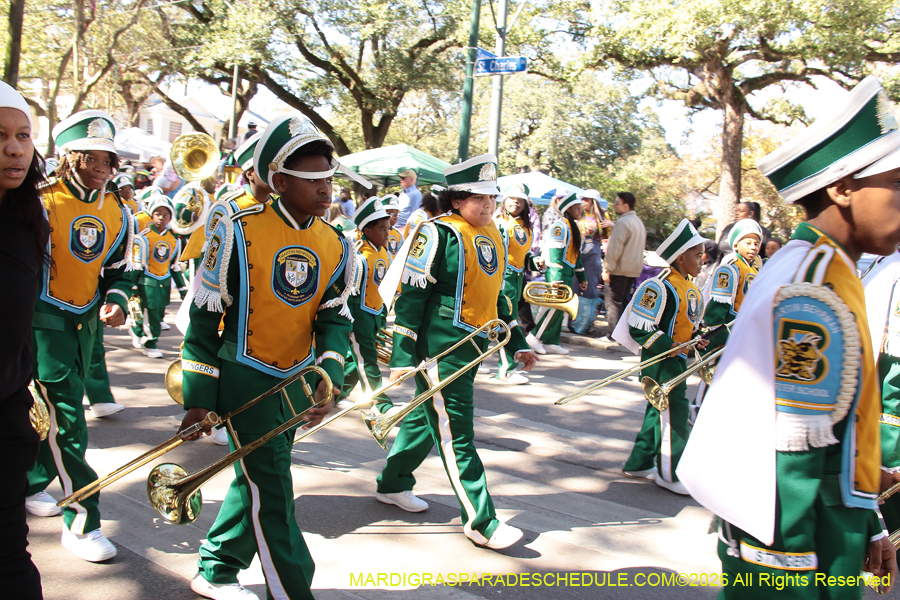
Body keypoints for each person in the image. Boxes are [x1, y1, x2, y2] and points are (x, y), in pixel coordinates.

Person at [678, 76, 900, 596]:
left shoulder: (826, 266)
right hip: (792, 543)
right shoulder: (814, 282)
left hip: (827, 520)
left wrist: (869, 517)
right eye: (897, 185)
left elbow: (836, 425)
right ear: (843, 188)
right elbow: (792, 449)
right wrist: (794, 573)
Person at [178, 114, 354, 600]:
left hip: (296, 383)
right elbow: (203, 318)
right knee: (273, 492)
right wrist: (198, 397)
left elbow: (334, 318)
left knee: (257, 478)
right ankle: (294, 589)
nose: (326, 190)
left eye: (329, 179)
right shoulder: (237, 228)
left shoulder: (337, 242)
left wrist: (329, 372)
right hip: (244, 379)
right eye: (313, 180)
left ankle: (216, 569)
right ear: (279, 181)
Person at [374, 154, 539, 550]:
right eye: (477, 197)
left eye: (491, 198)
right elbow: (412, 300)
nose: (487, 205)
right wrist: (401, 357)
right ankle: (481, 521)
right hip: (440, 351)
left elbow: (499, 298)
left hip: (473, 347)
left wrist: (518, 344)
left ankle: (393, 482)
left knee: (427, 418)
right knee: (457, 434)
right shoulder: (439, 234)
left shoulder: (495, 234)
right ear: (456, 200)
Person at [25, 110, 132, 562]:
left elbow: (118, 270)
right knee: (68, 420)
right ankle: (82, 522)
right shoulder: (38, 200)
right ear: (71, 158)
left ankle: (28, 484)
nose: (104, 166)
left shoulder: (117, 211)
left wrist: (118, 300)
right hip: (39, 327)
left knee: (52, 416)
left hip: (86, 328)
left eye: (108, 158)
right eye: (94, 158)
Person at [614, 219, 707, 495]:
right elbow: (639, 326)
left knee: (657, 414)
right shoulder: (657, 286)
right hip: (660, 363)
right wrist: (671, 346)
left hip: (676, 360)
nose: (702, 261)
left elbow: (689, 323)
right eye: (697, 255)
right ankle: (670, 473)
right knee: (674, 417)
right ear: (681, 257)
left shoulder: (689, 286)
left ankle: (639, 463)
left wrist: (696, 338)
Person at [0, 80, 47, 600]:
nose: (15, 148)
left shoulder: (28, 217)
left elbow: (20, 323)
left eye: (23, 135)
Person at [180, 132, 271, 263]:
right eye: (265, 168)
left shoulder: (279, 206)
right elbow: (210, 258)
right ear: (250, 173)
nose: (273, 173)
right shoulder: (228, 207)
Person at [337, 197, 392, 408]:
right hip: (358, 316)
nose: (387, 234)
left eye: (388, 229)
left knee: (355, 358)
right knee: (367, 358)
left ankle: (334, 392)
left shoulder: (383, 251)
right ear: (367, 230)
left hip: (374, 314)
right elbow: (347, 291)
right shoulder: (357, 254)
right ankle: (378, 400)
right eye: (382, 230)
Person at [493, 183, 544, 383]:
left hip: (516, 279)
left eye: (520, 199)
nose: (515, 201)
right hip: (501, 280)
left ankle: (507, 367)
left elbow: (522, 256)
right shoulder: (497, 222)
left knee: (508, 322)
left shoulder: (525, 226)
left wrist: (535, 262)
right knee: (505, 324)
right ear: (504, 201)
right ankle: (506, 370)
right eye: (512, 198)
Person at [533, 192, 588, 355]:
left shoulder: (575, 228)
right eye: (577, 209)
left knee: (561, 308)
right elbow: (554, 252)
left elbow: (576, 256)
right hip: (557, 272)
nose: (580, 212)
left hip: (567, 273)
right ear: (568, 210)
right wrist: (556, 277)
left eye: (581, 209)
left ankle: (551, 341)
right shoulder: (560, 226)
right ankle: (535, 337)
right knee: (553, 307)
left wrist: (581, 277)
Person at [130, 193, 181, 359]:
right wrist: (132, 285)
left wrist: (182, 288)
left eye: (165, 215)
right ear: (151, 215)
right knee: (147, 314)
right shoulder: (143, 238)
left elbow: (174, 265)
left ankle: (140, 332)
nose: (161, 218)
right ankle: (150, 342)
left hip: (163, 282)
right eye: (157, 214)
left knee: (156, 314)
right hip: (146, 280)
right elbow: (137, 264)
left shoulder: (174, 240)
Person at [703, 218, 762, 349]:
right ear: (736, 245)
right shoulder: (730, 269)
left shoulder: (756, 268)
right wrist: (721, 338)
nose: (753, 247)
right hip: (730, 332)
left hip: (746, 330)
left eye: (756, 244)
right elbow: (716, 309)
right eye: (748, 243)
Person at [601, 191, 646, 339]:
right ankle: (623, 334)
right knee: (624, 303)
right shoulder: (638, 222)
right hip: (632, 270)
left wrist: (607, 268)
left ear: (626, 206)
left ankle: (613, 334)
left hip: (619, 270)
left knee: (613, 303)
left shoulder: (623, 222)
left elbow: (615, 249)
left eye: (617, 203)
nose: (614, 205)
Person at [574, 189, 608, 334]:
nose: (583, 202)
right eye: (582, 199)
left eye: (586, 199)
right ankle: (570, 321)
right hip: (577, 251)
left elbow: (608, 237)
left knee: (590, 286)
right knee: (574, 285)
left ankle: (586, 324)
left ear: (593, 201)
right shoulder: (577, 213)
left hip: (593, 251)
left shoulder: (603, 216)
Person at [381, 194, 404, 259]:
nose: (395, 217)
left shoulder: (398, 235)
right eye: (392, 213)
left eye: (396, 214)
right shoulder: (375, 233)